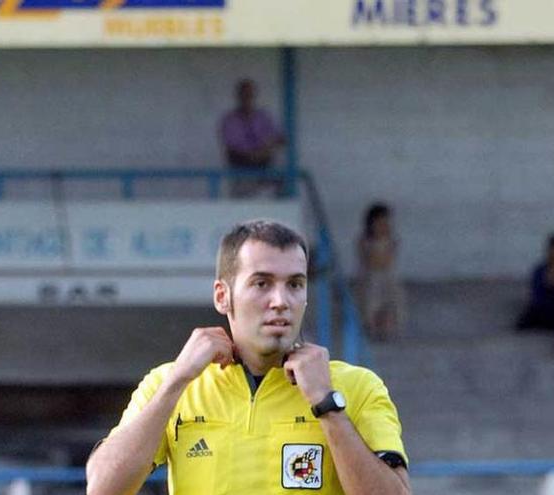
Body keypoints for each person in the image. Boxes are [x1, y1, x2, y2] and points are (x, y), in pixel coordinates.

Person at [86, 220, 410, 495]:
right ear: (222, 296)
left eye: (295, 284)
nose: (281, 301)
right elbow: (102, 487)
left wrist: (328, 407)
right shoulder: (170, 383)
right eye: (261, 283)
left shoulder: (354, 386)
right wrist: (177, 382)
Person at [219, 78, 286, 198]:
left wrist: (265, 149)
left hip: (264, 166)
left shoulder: (263, 117)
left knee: (283, 183)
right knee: (244, 205)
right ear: (238, 96)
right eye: (244, 94)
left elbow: (280, 139)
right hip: (241, 167)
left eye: (250, 94)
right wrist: (254, 154)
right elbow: (233, 147)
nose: (247, 97)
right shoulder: (230, 120)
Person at [357, 203, 405, 341]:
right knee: (372, 304)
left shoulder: (391, 241)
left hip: (388, 279)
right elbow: (373, 262)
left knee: (392, 303)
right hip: (372, 280)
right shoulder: (365, 242)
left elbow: (388, 260)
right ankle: (372, 328)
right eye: (380, 223)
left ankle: (389, 329)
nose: (383, 226)